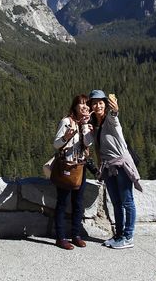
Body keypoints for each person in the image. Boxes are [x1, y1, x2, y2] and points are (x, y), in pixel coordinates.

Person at [89, 89, 142, 250]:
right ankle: (118, 235)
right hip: (108, 167)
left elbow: (114, 114)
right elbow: (98, 147)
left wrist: (115, 109)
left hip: (121, 165)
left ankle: (128, 236)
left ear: (105, 104)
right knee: (116, 202)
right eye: (94, 103)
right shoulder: (95, 124)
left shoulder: (110, 120)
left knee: (127, 201)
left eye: (100, 102)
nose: (97, 106)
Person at [52, 94, 94, 250]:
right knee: (62, 202)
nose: (85, 107)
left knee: (78, 203)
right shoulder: (66, 122)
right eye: (81, 104)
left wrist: (85, 126)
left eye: (87, 105)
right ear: (75, 106)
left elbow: (88, 142)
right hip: (66, 166)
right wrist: (66, 137)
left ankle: (76, 235)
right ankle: (61, 237)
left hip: (80, 167)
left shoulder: (87, 124)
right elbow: (56, 144)